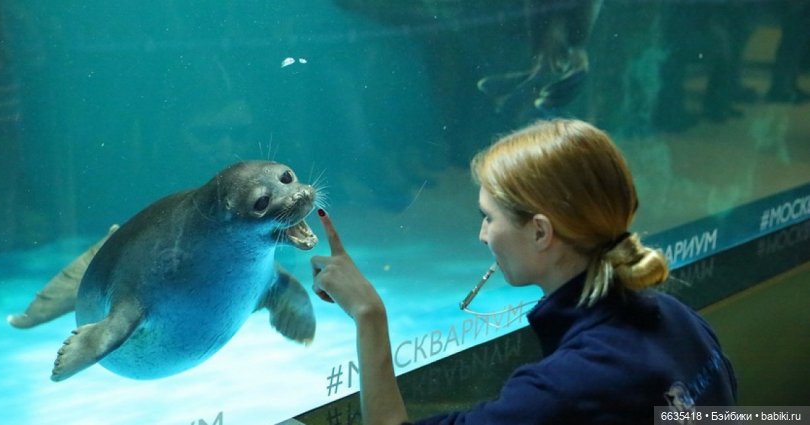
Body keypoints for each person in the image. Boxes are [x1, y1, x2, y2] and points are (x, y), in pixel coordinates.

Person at [310, 119, 737, 425]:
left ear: (540, 232)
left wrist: (369, 314)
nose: (482, 235)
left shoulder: (561, 390)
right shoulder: (680, 319)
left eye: (489, 218)